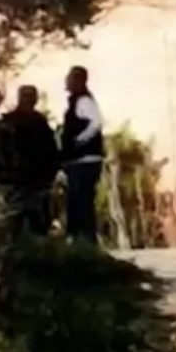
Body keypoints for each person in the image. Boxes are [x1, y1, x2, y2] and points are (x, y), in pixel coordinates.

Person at [0, 85, 59, 237]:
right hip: (21, 179)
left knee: (29, 220)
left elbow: (50, 152)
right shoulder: (13, 123)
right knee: (21, 219)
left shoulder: (34, 123)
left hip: (31, 179)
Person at [58, 65, 106, 246]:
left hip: (85, 160)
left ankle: (83, 241)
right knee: (79, 202)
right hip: (80, 160)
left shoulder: (83, 101)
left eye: (70, 78)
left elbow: (96, 122)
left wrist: (80, 140)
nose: (67, 81)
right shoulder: (77, 101)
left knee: (81, 203)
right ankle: (82, 241)